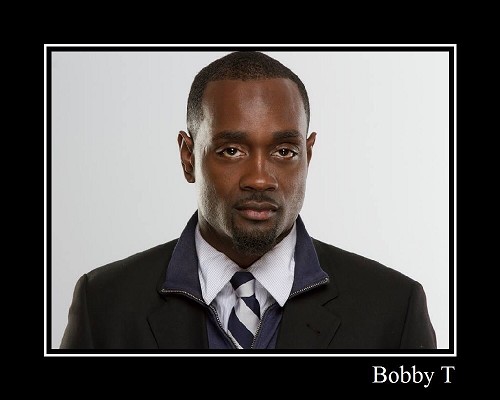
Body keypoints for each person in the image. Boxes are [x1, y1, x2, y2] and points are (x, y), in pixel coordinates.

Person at [60, 51, 437, 350]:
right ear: (188, 157)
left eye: (285, 151)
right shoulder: (104, 305)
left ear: (308, 156)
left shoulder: (394, 309)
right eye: (231, 150)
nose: (259, 178)